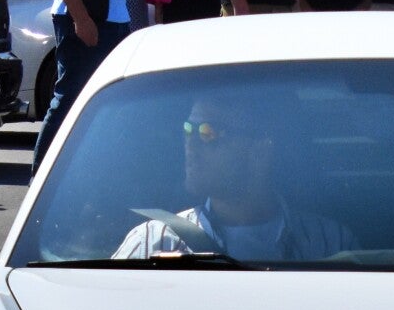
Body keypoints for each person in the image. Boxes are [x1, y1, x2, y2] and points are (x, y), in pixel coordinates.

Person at [113, 94, 356, 261]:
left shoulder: (331, 245)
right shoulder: (153, 244)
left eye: (208, 133)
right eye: (188, 130)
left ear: (260, 150)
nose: (191, 145)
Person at [31, 0, 134, 172]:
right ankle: (41, 182)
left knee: (105, 106)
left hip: (112, 17)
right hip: (89, 17)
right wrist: (81, 19)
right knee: (70, 101)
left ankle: (91, 180)